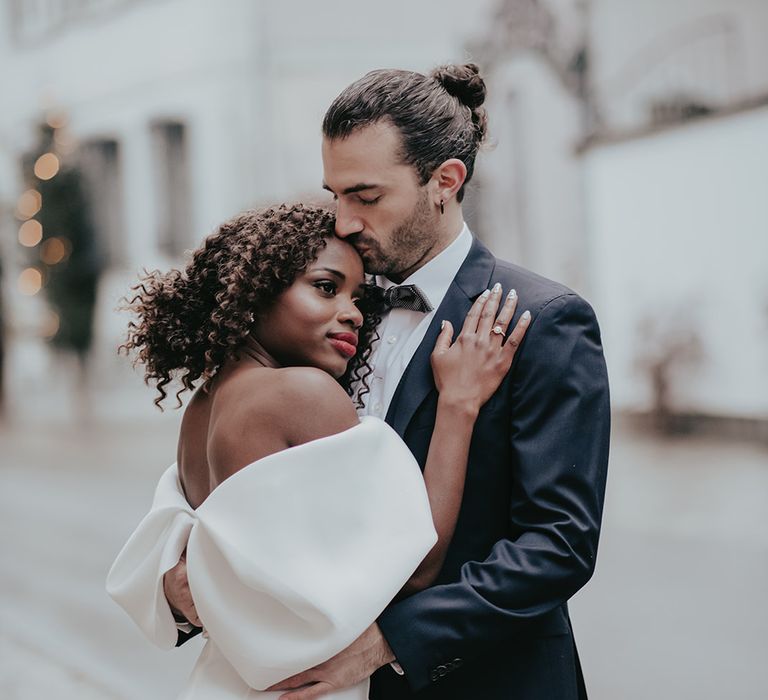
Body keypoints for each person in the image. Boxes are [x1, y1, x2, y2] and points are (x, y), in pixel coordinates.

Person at [241, 64, 608, 700]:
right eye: (335, 195)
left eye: (366, 195)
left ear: (445, 181)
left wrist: (391, 641)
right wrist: (180, 569)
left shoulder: (543, 321)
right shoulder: (336, 309)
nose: (344, 221)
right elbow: (251, 448)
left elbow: (559, 545)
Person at [107, 203, 531, 699]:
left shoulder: (204, 407)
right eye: (326, 288)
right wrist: (459, 404)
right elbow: (415, 566)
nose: (352, 312)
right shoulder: (301, 394)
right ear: (255, 292)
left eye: (358, 298)